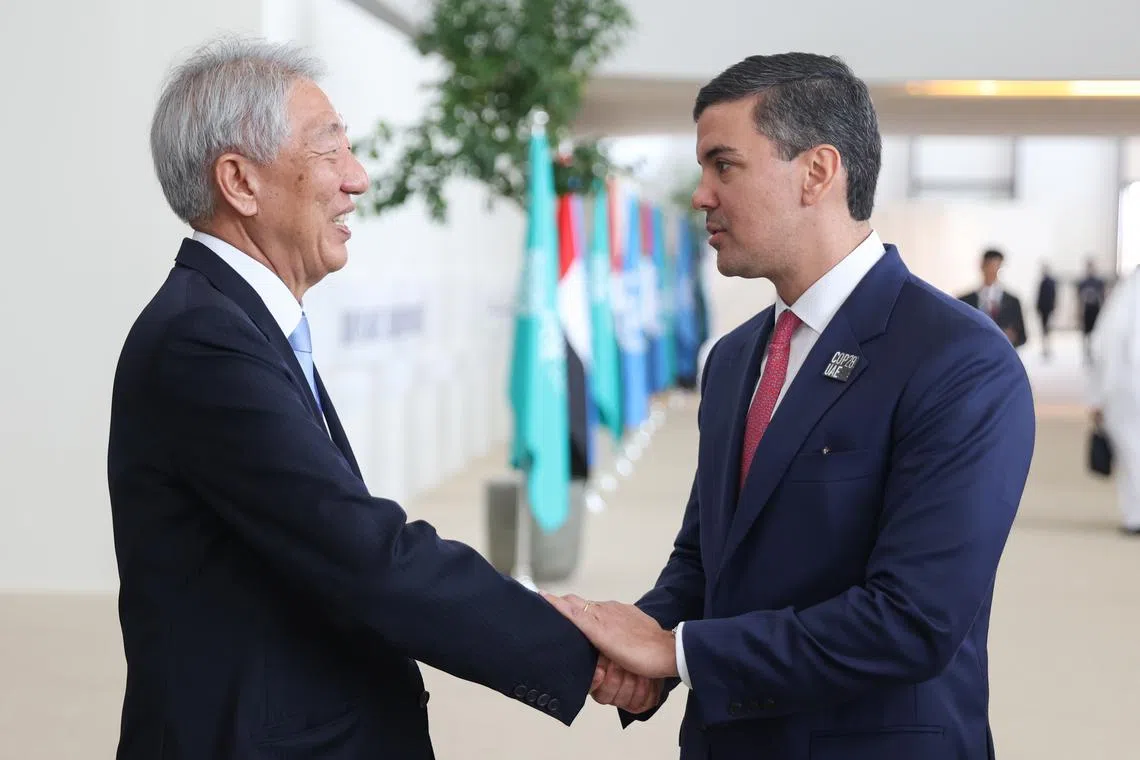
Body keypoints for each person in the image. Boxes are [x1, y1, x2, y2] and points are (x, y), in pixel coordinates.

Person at [107, 37, 647, 760]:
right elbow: (367, 555)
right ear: (240, 181)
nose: (357, 179)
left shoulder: (229, 320)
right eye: (330, 152)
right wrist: (582, 652)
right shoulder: (202, 343)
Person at [543, 52, 1035, 760]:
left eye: (725, 166)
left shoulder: (958, 361)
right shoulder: (736, 358)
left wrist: (680, 653)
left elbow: (912, 621)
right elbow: (706, 560)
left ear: (817, 172)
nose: (701, 195)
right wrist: (640, 640)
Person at [1088, 266, 1140, 534]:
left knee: (1131, 453)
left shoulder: (1125, 297)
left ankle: (1135, 516)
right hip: (1127, 389)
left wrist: (1098, 397)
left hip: (1126, 391)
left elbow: (1101, 346)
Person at [959, 249, 1028, 348]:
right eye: (989, 266)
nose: (992, 271)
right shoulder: (964, 301)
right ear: (982, 266)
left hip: (1002, 357)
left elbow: (1022, 337)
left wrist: (1011, 338)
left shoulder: (1013, 301)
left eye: (996, 267)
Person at [1078, 259, 1107, 363]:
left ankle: (1094, 352)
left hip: (1096, 310)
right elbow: (1080, 298)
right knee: (1086, 334)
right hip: (1087, 311)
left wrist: (1103, 312)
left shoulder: (1098, 282)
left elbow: (1102, 296)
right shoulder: (1083, 282)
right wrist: (1079, 312)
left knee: (1095, 332)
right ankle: (1087, 352)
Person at [1036, 263, 1057, 358]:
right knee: (1044, 329)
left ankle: (1047, 348)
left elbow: (1053, 295)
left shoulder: (1050, 282)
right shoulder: (1043, 281)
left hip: (1047, 308)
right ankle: (1045, 348)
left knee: (1047, 329)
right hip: (1043, 308)